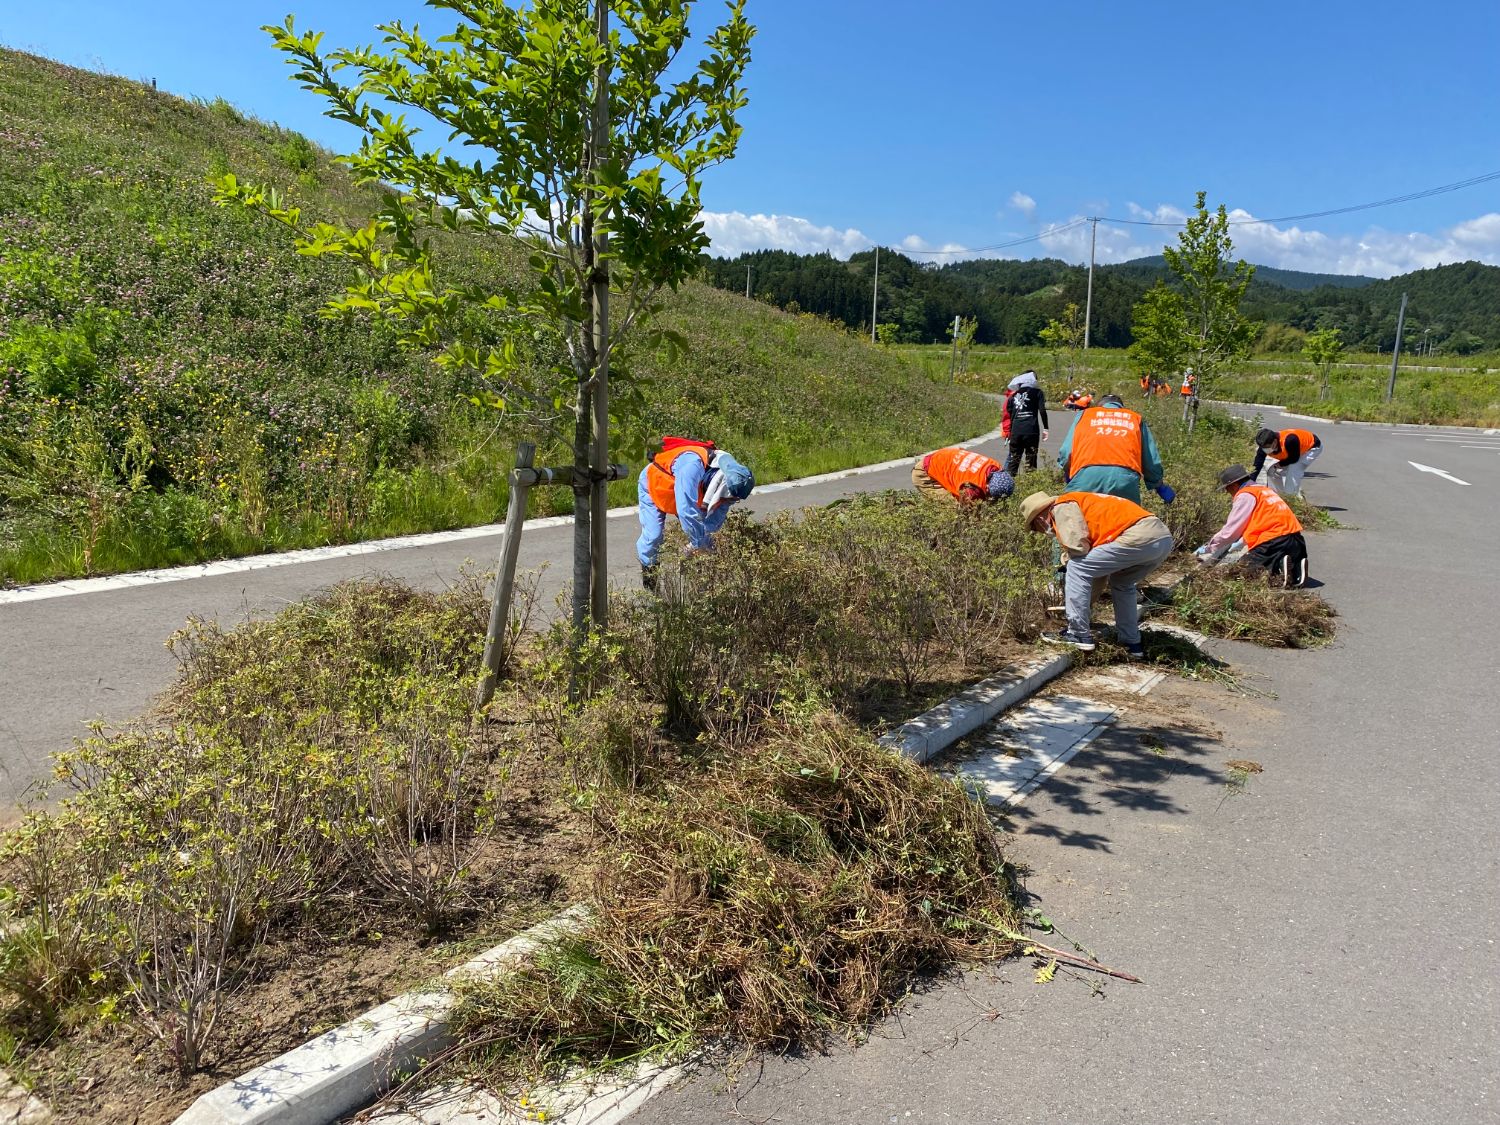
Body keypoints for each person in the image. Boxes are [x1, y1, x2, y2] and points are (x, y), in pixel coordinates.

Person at [1020, 490, 1174, 657]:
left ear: (1039, 519)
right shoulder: (1082, 501)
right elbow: (1096, 570)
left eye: (1035, 528)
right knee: (1122, 583)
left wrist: (1067, 560)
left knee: (1076, 567)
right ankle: (1131, 644)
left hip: (1137, 536)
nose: (1040, 532)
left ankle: (1077, 634)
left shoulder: (1061, 506)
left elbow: (1078, 548)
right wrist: (1085, 602)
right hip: (1162, 538)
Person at [637, 436, 755, 590]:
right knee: (654, 537)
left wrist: (699, 547)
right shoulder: (692, 465)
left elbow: (713, 523)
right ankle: (651, 590)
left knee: (704, 541)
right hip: (654, 485)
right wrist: (698, 544)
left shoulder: (731, 482)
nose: (727, 501)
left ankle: (701, 593)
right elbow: (686, 511)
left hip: (683, 493)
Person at [1195, 464, 1309, 587]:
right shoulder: (1264, 490)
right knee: (1271, 558)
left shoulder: (1245, 495)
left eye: (1227, 489)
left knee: (1242, 572)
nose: (1228, 493)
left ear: (1234, 485)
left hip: (1273, 542)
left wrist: (1209, 547)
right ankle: (1297, 568)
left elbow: (1230, 532)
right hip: (1296, 540)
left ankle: (1279, 568)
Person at [1055, 392, 1173, 505]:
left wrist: (1069, 475)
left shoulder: (1084, 415)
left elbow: (1066, 452)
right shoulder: (1135, 419)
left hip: (1086, 478)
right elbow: (1150, 460)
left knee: (1076, 514)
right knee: (1125, 517)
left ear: (1100, 406)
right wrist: (1159, 487)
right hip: (1124, 481)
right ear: (1121, 407)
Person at [913, 446, 1015, 505]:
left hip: (942, 458)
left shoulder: (996, 468)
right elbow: (967, 512)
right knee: (951, 509)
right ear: (988, 486)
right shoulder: (972, 487)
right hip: (924, 473)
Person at [1253, 426, 1322, 497]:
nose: (1265, 449)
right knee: (1272, 470)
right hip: (1294, 452)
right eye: (1263, 447)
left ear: (1275, 441)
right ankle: (1277, 496)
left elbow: (1294, 459)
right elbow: (1257, 465)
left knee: (1294, 470)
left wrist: (1281, 464)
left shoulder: (1290, 440)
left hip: (1312, 447)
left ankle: (1291, 497)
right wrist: (1250, 482)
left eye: (1267, 446)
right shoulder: (1263, 448)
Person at [1003, 371, 1048, 474]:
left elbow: (1010, 414)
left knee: (1014, 460)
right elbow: (1042, 410)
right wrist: (1046, 428)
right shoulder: (1038, 392)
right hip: (1031, 430)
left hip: (1016, 431)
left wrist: (1010, 432)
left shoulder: (1013, 396)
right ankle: (1030, 482)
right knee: (1031, 459)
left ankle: (1009, 481)